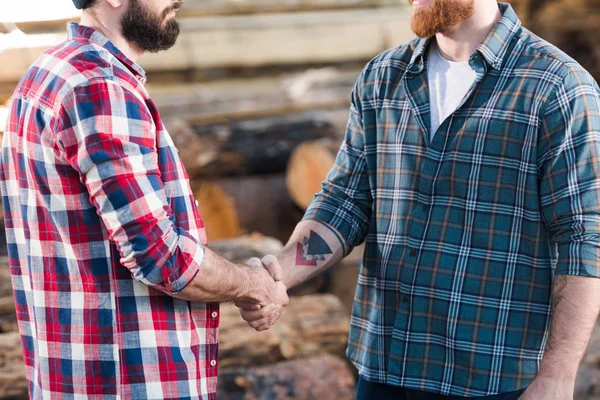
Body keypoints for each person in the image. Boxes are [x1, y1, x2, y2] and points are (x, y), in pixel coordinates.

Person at [237, 0, 600, 399]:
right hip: (386, 365)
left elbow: (583, 236)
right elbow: (345, 202)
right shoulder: (382, 76)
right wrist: (275, 277)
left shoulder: (558, 86)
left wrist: (558, 375)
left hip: (491, 375)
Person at [0, 0, 288, 398]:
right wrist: (252, 283)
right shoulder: (100, 87)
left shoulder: (47, 72)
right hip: (127, 383)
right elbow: (161, 256)